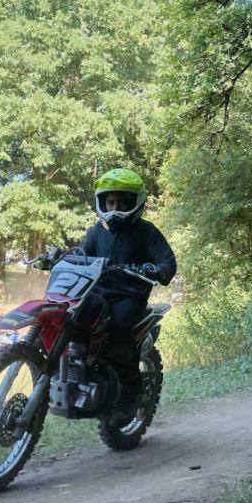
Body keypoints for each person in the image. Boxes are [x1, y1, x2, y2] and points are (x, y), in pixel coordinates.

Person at [79, 168, 176, 424]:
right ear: (102, 202)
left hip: (128, 296)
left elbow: (167, 261)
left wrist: (155, 269)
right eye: (110, 202)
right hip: (97, 294)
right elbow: (80, 255)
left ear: (135, 202)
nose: (115, 207)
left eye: (122, 202)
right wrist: (58, 257)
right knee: (73, 315)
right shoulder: (96, 232)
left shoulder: (146, 231)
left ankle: (130, 394)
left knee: (118, 330)